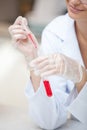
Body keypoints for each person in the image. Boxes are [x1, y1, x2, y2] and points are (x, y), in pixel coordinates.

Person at [9, 0, 87, 129]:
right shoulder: (55, 31)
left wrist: (82, 77)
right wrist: (33, 60)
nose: (74, 1)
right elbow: (50, 120)